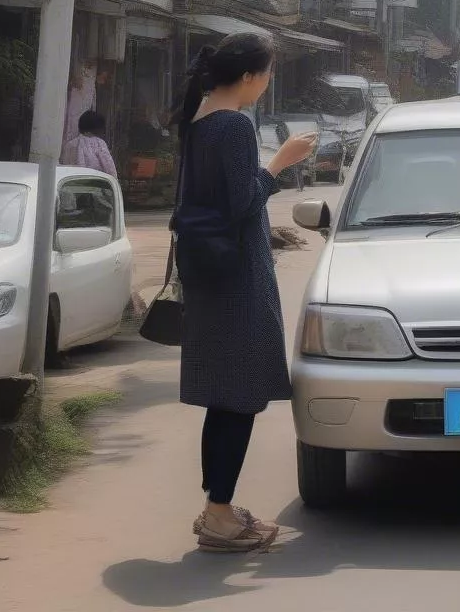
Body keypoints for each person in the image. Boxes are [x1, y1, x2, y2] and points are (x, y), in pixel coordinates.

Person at [175, 33, 317, 554]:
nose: (270, 81)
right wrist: (282, 161)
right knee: (237, 399)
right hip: (237, 280)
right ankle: (217, 515)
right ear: (252, 75)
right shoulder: (234, 125)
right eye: (270, 72)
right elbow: (241, 203)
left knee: (226, 398)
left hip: (213, 278)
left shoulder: (198, 120)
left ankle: (219, 506)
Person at [65, 111, 118, 177]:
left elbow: (65, 165)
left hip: (73, 183)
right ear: (98, 128)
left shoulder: (70, 144)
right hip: (94, 183)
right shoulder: (99, 143)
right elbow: (109, 167)